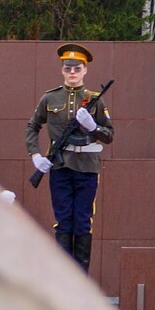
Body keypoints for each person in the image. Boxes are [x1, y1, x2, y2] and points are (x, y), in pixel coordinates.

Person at [23, 42, 114, 273]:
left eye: (77, 68)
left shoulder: (95, 99)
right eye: (68, 68)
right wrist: (35, 155)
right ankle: (64, 276)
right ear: (62, 70)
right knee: (63, 221)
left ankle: (80, 277)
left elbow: (109, 135)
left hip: (87, 168)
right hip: (60, 167)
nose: (72, 72)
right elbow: (32, 126)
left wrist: (93, 127)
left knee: (82, 221)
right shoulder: (50, 98)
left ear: (85, 70)